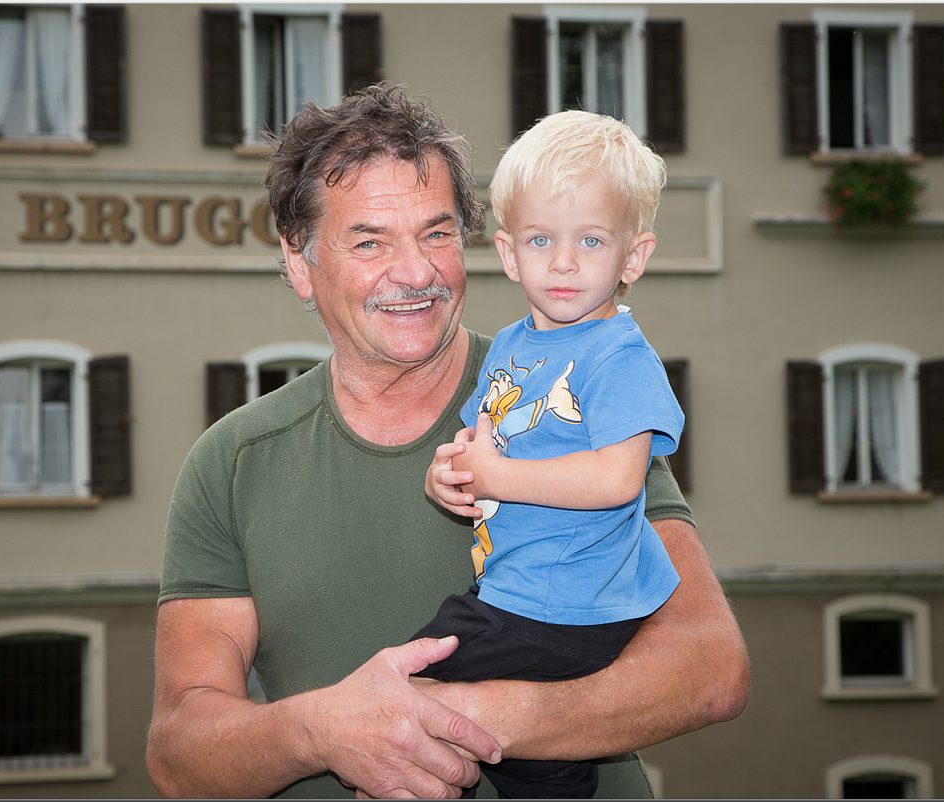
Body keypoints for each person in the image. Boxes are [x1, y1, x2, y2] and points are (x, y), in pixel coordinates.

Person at [146, 84, 749, 800]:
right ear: (301, 263)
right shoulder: (234, 462)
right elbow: (180, 755)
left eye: (437, 234)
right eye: (370, 242)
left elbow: (710, 669)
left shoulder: (568, 391)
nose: (416, 273)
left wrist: (461, 718)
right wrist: (322, 730)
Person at [411, 110, 683, 799]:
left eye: (591, 240)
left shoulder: (618, 357)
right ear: (509, 254)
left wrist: (498, 475)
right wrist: (451, 470)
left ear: (633, 257)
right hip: (518, 587)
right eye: (541, 239)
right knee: (532, 767)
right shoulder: (513, 345)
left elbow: (617, 479)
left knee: (407, 691)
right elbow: (484, 438)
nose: (563, 262)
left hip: (564, 601)